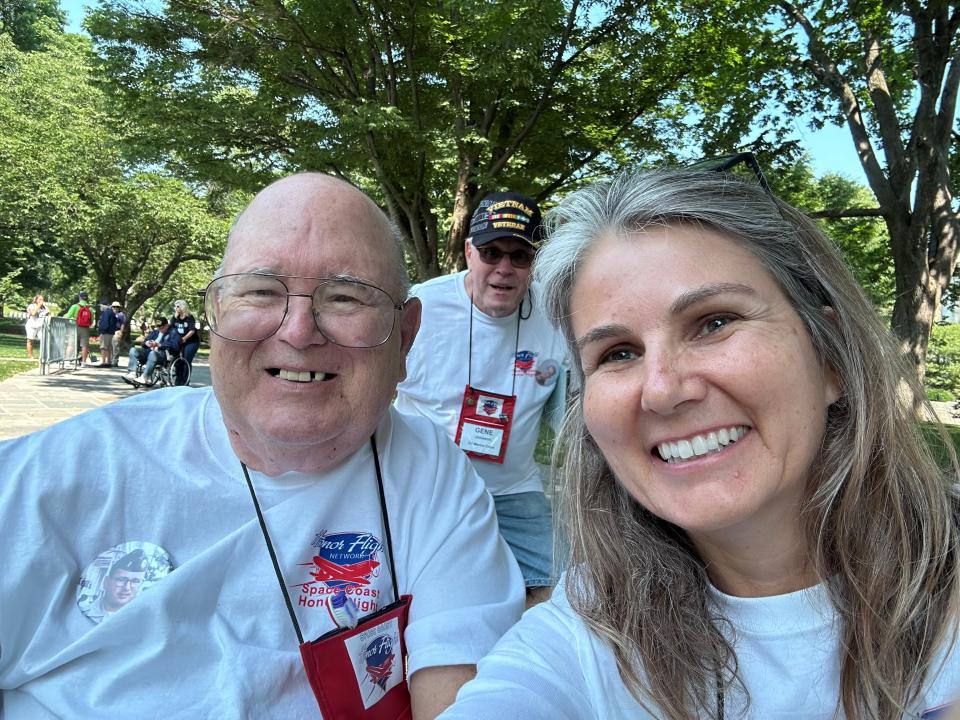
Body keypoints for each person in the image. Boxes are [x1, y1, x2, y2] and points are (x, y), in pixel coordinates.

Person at [0, 173, 524, 719]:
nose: (298, 330)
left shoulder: (429, 473)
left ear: (406, 336)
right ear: (218, 311)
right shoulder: (66, 470)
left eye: (346, 297)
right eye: (261, 290)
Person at [440, 169, 960, 718]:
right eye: (617, 352)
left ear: (828, 356)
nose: (662, 390)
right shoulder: (585, 629)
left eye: (714, 322)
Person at [396, 192, 569, 607]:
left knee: (559, 596)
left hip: (513, 489)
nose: (504, 269)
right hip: (425, 488)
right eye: (491, 253)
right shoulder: (422, 305)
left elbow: (574, 407)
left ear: (535, 260)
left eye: (520, 256)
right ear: (469, 252)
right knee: (420, 596)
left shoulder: (557, 313)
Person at [123, 316, 180, 385]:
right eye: (158, 327)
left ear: (166, 325)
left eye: (161, 327)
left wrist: (159, 345)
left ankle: (145, 377)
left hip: (162, 353)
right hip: (148, 351)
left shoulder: (173, 332)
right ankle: (132, 373)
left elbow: (175, 346)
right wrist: (147, 343)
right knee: (133, 350)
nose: (159, 329)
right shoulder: (155, 332)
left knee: (153, 353)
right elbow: (144, 342)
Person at [170, 299, 200, 385]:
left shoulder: (189, 317)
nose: (175, 308)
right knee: (177, 359)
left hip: (191, 342)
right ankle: (178, 379)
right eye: (175, 306)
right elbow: (171, 329)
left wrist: (184, 338)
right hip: (179, 341)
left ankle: (185, 381)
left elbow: (192, 330)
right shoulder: (175, 318)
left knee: (186, 359)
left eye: (177, 306)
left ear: (182, 307)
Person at [64, 290, 95, 365]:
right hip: (85, 328)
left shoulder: (75, 306)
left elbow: (68, 316)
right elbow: (92, 319)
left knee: (71, 344)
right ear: (86, 298)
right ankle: (83, 362)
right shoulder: (90, 308)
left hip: (74, 327)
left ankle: (67, 361)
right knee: (84, 346)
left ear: (79, 297)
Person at [24, 294, 49, 360]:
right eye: (40, 299)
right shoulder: (31, 306)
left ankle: (43, 356)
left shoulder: (45, 308)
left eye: (42, 299)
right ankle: (31, 356)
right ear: (36, 300)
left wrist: (48, 314)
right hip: (31, 326)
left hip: (41, 326)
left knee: (44, 341)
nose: (41, 301)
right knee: (30, 340)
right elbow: (33, 314)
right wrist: (38, 306)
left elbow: (49, 315)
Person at [96, 300, 120, 367]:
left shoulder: (106, 312)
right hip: (111, 333)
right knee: (109, 347)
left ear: (104, 306)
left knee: (103, 347)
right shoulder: (112, 313)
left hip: (105, 332)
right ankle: (108, 362)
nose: (100, 307)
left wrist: (102, 331)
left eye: (101, 306)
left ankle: (103, 362)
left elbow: (105, 323)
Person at [112, 302, 126, 366]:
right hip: (110, 331)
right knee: (110, 347)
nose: (115, 308)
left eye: (117, 307)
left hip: (117, 331)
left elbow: (123, 324)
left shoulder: (121, 315)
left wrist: (121, 332)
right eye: (114, 307)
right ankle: (109, 360)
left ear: (119, 308)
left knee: (115, 347)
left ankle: (115, 361)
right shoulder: (110, 313)